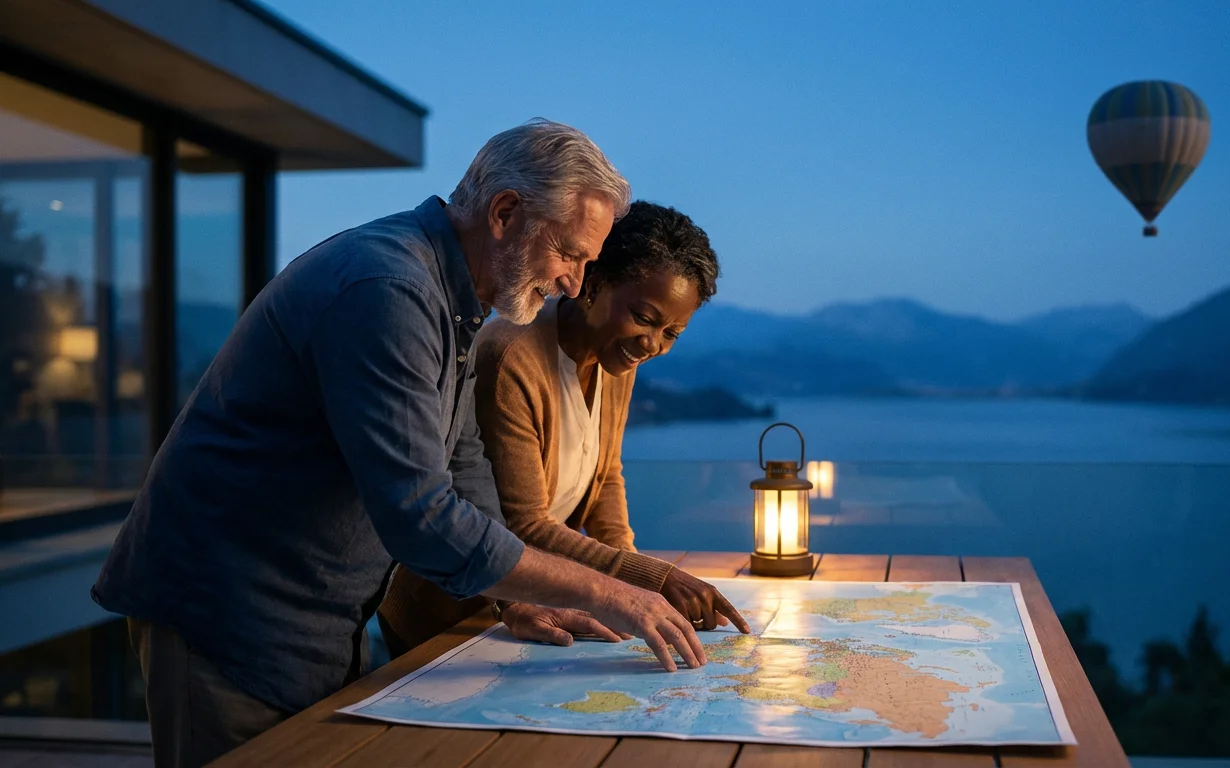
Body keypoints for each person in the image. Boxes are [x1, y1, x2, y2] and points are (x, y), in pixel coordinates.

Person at [91, 121, 707, 768]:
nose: (574, 284)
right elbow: (422, 516)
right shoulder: (389, 290)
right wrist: (609, 592)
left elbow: (464, 462)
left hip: (313, 616)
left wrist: (516, 596)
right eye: (569, 254)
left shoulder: (453, 296)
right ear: (504, 213)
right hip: (225, 613)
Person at [379, 202, 749, 656]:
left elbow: (606, 478)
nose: (652, 344)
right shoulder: (512, 356)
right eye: (645, 318)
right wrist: (653, 579)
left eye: (671, 333)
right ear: (592, 285)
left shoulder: (616, 357)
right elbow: (525, 524)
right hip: (455, 613)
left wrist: (639, 583)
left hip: (536, 605)